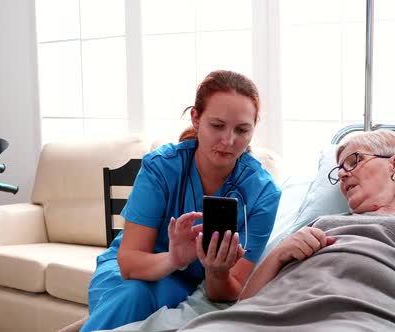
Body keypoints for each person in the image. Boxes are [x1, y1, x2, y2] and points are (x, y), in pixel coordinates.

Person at [179, 130, 395, 332]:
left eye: (354, 161)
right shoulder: (320, 224)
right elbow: (245, 303)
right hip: (254, 321)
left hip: (358, 321)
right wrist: (280, 254)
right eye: (338, 168)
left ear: (394, 165)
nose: (342, 174)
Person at [80, 70, 282, 332]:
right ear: (196, 119)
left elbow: (229, 290)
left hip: (182, 283)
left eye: (242, 130)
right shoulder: (160, 168)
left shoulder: (263, 193)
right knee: (133, 295)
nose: (228, 141)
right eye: (217, 126)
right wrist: (174, 259)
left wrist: (216, 271)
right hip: (130, 272)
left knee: (138, 300)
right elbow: (129, 263)